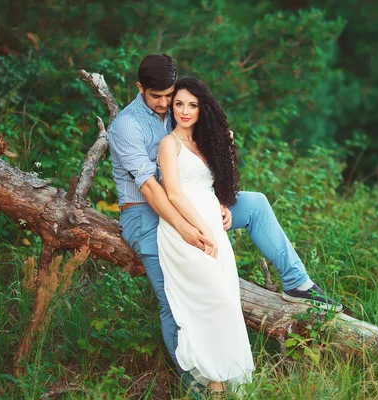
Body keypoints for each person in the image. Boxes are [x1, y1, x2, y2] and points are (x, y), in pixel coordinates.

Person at [108, 53, 342, 383]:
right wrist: (187, 229)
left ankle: (298, 284)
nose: (165, 104)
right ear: (139, 88)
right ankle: (196, 384)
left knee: (256, 204)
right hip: (146, 214)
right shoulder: (128, 126)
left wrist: (219, 202)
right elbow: (152, 191)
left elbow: (201, 167)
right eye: (156, 97)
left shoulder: (180, 107)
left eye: (169, 96)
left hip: (196, 204)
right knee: (173, 300)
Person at [156, 77, 254, 392]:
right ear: (172, 106)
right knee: (216, 301)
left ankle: (218, 384)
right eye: (179, 104)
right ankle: (212, 382)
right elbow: (173, 193)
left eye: (192, 105)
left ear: (202, 109)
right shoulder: (168, 144)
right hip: (184, 229)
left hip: (212, 225)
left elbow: (212, 183)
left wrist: (223, 205)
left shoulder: (203, 143)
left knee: (227, 302)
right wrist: (201, 226)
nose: (185, 111)